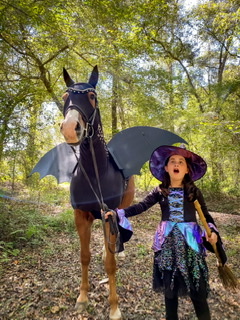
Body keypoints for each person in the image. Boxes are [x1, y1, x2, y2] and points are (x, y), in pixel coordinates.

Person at [105, 145, 225, 320]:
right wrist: (118, 212)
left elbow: (206, 216)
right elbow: (141, 206)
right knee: (170, 294)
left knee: (198, 292)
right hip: (166, 247)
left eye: (181, 162)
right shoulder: (160, 191)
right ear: (166, 168)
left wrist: (212, 232)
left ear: (186, 169)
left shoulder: (194, 192)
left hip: (191, 245)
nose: (176, 164)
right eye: (172, 161)